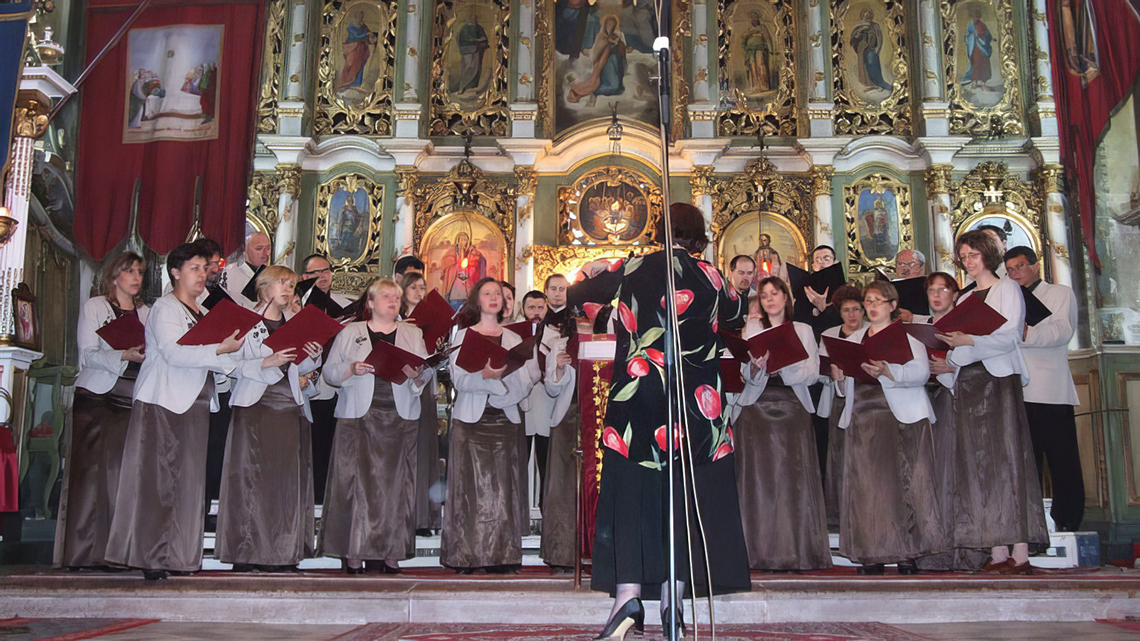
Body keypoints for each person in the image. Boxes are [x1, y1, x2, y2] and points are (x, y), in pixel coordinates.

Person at [569, 203, 749, 640]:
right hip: (694, 405)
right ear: (699, 235)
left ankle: (627, 600)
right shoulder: (711, 275)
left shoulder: (632, 265)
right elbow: (737, 316)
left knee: (631, 494)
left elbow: (576, 296)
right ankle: (672, 605)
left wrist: (598, 287)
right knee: (682, 497)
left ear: (659, 228)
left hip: (639, 397)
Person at [105, 243, 244, 580]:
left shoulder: (203, 312)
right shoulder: (165, 308)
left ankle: (178, 556)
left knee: (187, 485)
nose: (202, 274)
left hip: (195, 406)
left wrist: (248, 357)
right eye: (195, 268)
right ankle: (151, 556)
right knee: (157, 482)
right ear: (175, 272)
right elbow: (173, 353)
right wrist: (219, 349)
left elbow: (218, 361)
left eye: (205, 268)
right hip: (163, 404)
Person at [936, 230, 1048, 573]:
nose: (968, 263)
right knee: (979, 464)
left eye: (973, 255)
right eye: (963, 257)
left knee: (1008, 459)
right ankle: (997, 553)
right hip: (970, 382)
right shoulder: (966, 296)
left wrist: (968, 339)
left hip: (998, 380)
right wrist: (950, 354)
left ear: (987, 255)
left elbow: (1011, 335)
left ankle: (1021, 552)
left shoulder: (1007, 288)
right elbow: (955, 345)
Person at [831, 281, 943, 575]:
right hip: (863, 417)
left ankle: (907, 553)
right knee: (867, 489)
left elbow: (920, 373)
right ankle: (872, 553)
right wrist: (840, 376)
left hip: (899, 417)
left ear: (893, 305)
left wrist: (887, 371)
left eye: (879, 300)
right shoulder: (855, 337)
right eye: (868, 300)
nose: (872, 306)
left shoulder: (909, 336)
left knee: (902, 484)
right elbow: (845, 389)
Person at [320, 278, 432, 574]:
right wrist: (351, 369)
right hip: (358, 414)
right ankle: (354, 552)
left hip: (399, 415)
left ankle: (391, 551)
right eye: (385, 296)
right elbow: (330, 373)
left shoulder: (412, 332)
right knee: (355, 484)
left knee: (396, 485)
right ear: (370, 303)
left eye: (396, 297)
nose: (392, 301)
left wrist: (417, 375)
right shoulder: (350, 331)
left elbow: (425, 372)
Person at [216, 266, 323, 572]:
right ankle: (246, 552)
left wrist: (313, 356)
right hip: (255, 406)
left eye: (291, 285)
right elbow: (228, 364)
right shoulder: (244, 320)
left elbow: (297, 369)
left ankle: (283, 552)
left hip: (290, 408)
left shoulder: (295, 321)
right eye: (282, 283)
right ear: (263, 287)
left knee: (284, 484)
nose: (288, 290)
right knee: (250, 480)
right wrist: (267, 361)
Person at [732, 276, 831, 572]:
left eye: (774, 294)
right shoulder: (752, 328)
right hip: (755, 408)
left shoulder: (802, 329)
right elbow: (743, 372)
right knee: (757, 482)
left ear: (786, 298)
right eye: (764, 296)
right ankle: (755, 551)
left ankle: (796, 550)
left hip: (792, 407)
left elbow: (812, 373)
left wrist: (782, 364)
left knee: (792, 481)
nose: (769, 300)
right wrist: (756, 368)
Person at [58, 252, 149, 569]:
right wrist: (123, 354)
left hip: (131, 399)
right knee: (89, 476)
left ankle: (116, 553)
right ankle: (83, 553)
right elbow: (87, 354)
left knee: (121, 476)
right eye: (129, 271)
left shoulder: (148, 312)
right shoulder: (95, 306)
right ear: (114, 276)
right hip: (96, 397)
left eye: (140, 271)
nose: (136, 277)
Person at [442, 278, 536, 574]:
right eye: (487, 293)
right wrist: (488, 377)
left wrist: (495, 384)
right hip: (470, 421)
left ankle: (503, 555)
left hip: (504, 420)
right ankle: (466, 556)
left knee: (502, 490)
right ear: (477, 301)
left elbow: (524, 384)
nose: (494, 298)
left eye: (498, 294)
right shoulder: (462, 335)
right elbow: (459, 380)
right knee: (468, 489)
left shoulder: (513, 339)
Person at [1005, 246, 1084, 532]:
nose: (1016, 274)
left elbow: (1062, 332)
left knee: (1063, 462)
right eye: (1010, 269)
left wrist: (1025, 333)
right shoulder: (1007, 297)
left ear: (1035, 266)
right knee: (1027, 464)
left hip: (1051, 390)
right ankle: (1031, 528)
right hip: (1017, 390)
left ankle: (1068, 523)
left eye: (1020, 266)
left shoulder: (1060, 293)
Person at [298, 253, 356, 506]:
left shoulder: (344, 303)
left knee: (324, 444)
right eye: (315, 273)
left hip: (331, 386)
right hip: (298, 384)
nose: (323, 276)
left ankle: (322, 500)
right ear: (304, 278)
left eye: (327, 271)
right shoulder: (295, 304)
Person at [816, 284, 865, 528]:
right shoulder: (830, 334)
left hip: (863, 400)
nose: (852, 315)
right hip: (836, 399)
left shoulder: (870, 332)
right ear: (839, 312)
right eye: (846, 310)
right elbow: (818, 368)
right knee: (838, 455)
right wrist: (832, 373)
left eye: (856, 309)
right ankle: (837, 513)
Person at [400, 270, 443, 536]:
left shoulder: (431, 318)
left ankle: (423, 517)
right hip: (396, 386)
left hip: (422, 383)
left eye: (422, 287)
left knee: (425, 448)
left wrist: (439, 348)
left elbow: (432, 356)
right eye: (413, 287)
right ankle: (400, 512)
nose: (418, 292)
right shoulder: (392, 319)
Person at [221, 231, 271, 308]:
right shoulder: (232, 273)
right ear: (245, 249)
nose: (266, 253)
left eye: (268, 248)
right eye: (259, 248)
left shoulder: (273, 275)